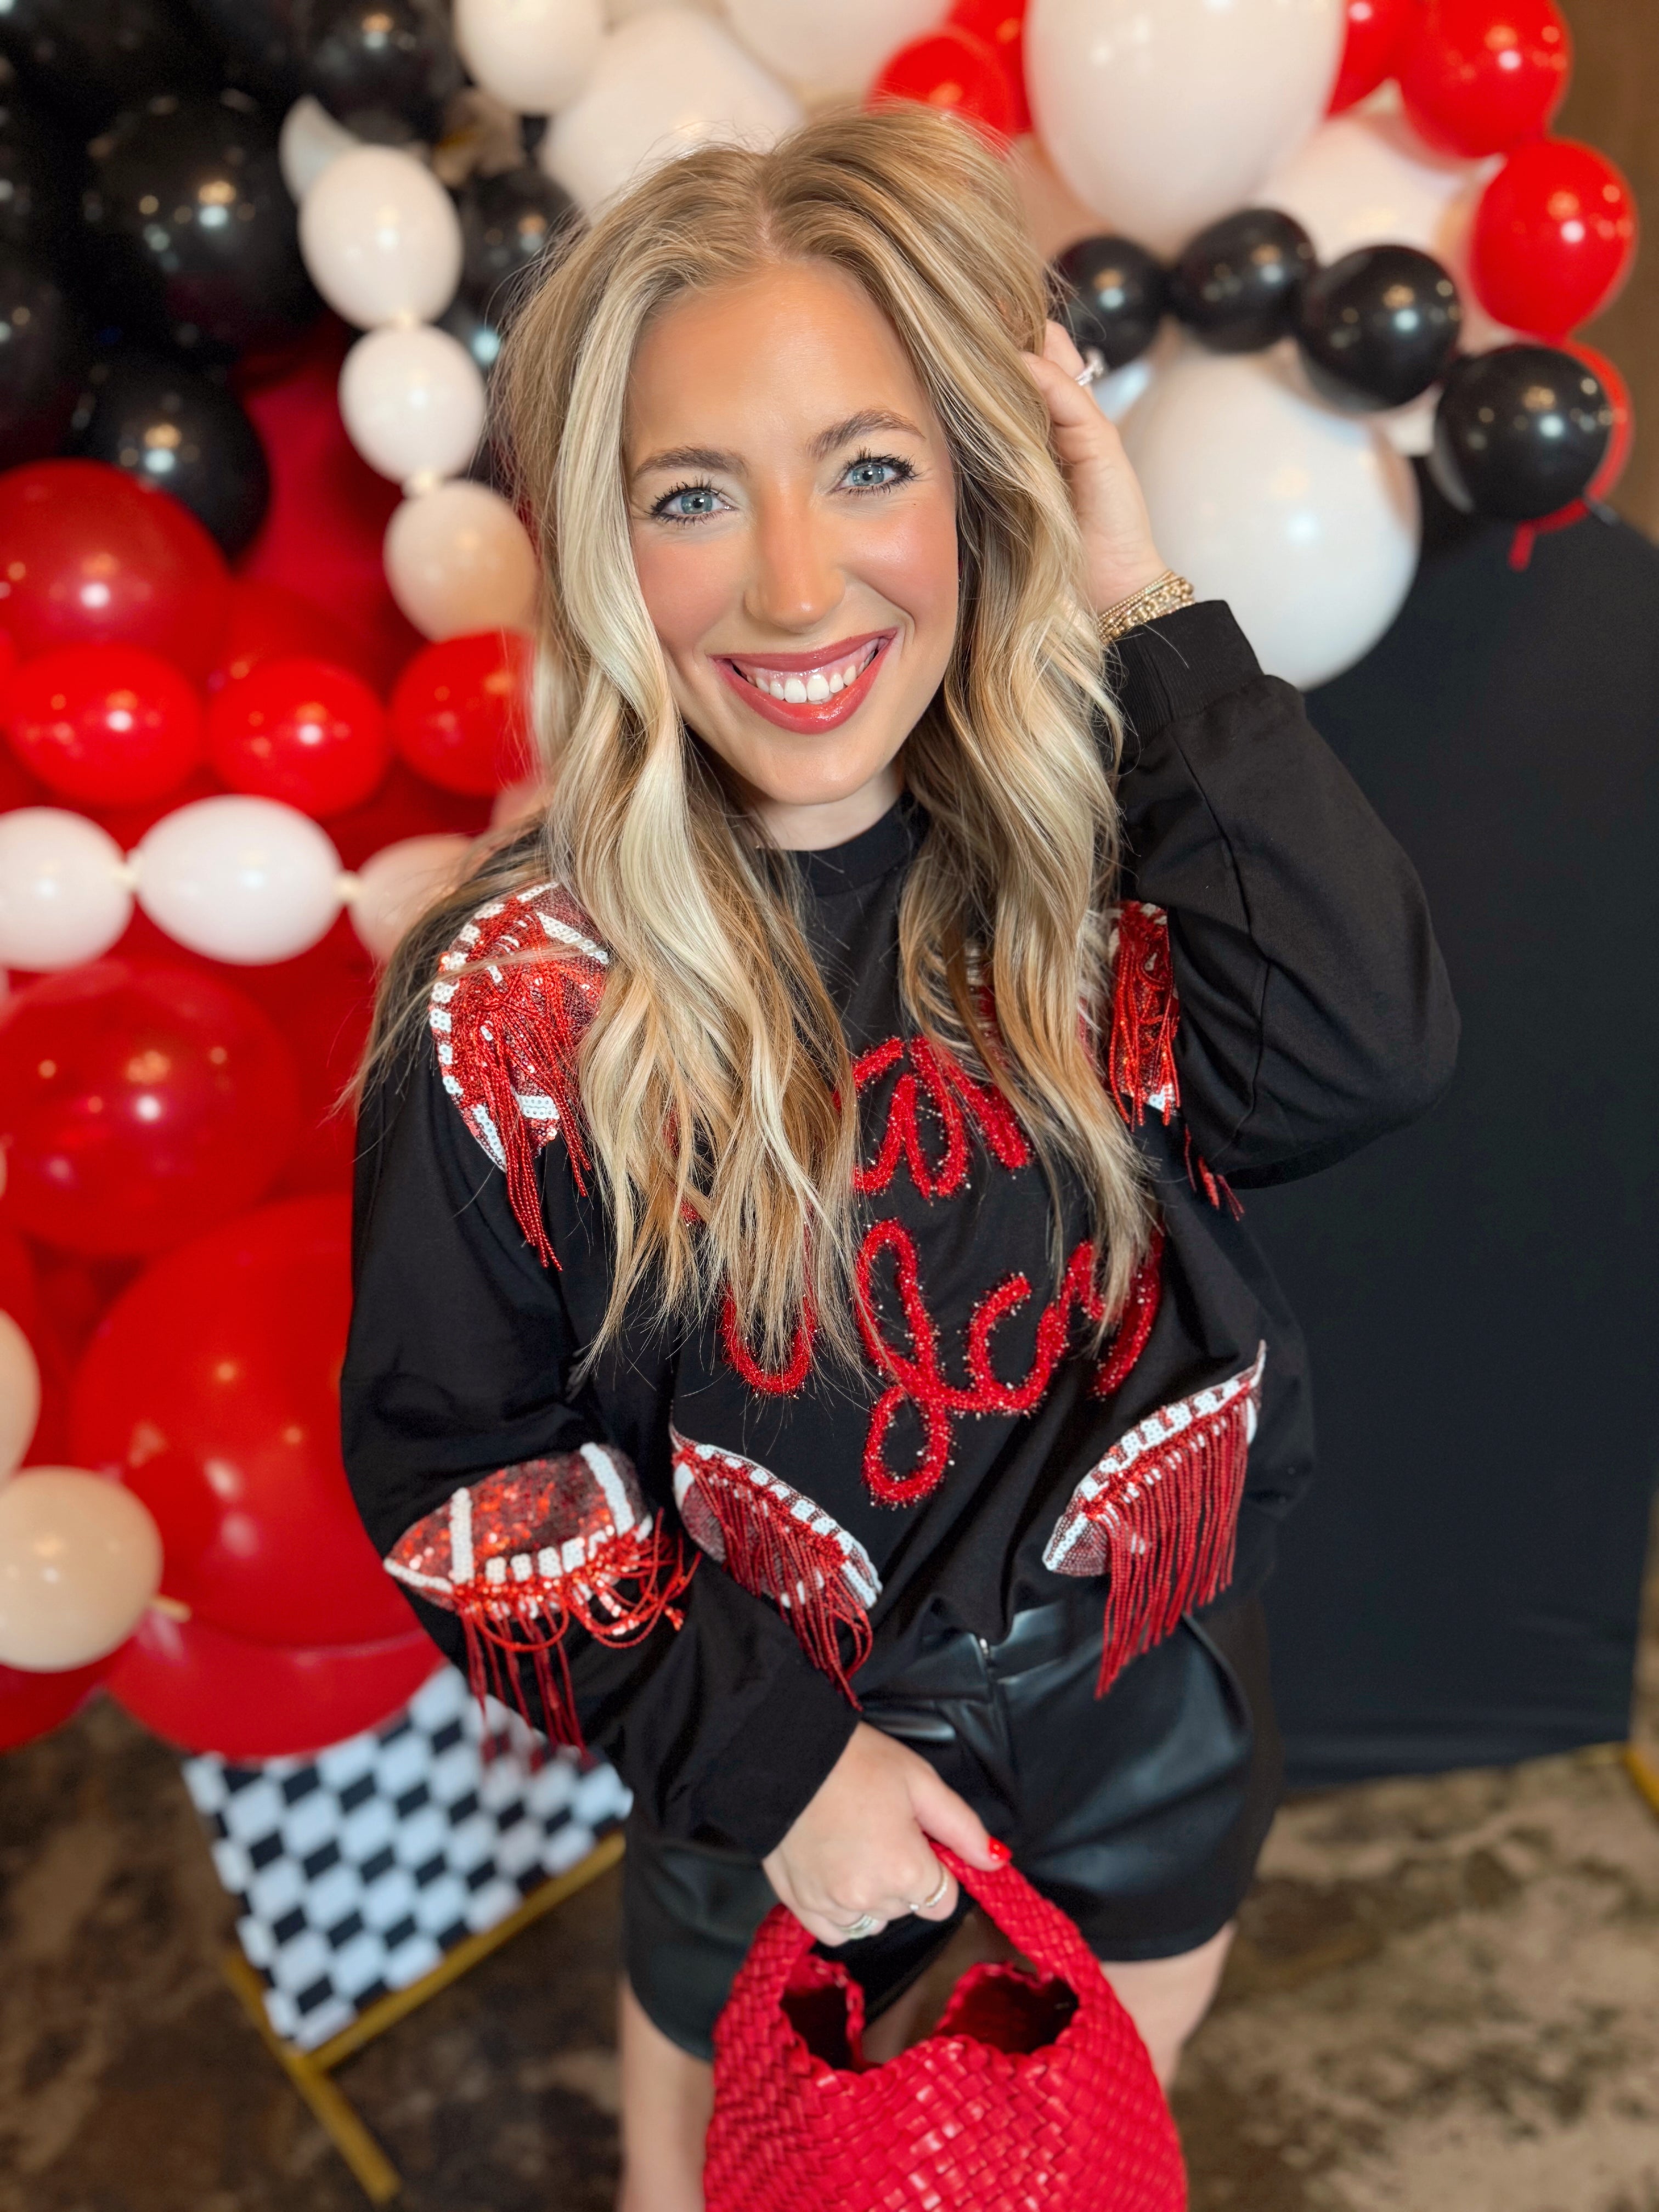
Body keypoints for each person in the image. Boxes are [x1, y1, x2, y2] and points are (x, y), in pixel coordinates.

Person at [341, 108, 1457, 2210]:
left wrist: (1136, 587)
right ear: (598, 540)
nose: (791, 581)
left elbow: (1368, 1053)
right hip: (766, 1748)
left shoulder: (1119, 853)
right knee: (726, 2130)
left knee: (1090, 2128)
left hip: (1142, 1715)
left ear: (977, 480)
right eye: (694, 495)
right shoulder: (519, 1003)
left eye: (871, 465)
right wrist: (775, 1774)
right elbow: (454, 1464)